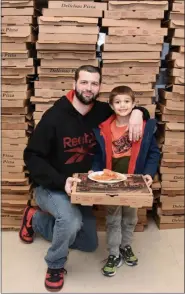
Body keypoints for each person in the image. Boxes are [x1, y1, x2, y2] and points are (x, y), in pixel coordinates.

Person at [19, 65, 150, 292]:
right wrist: (61, 181)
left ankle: (35, 219)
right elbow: (31, 156)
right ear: (75, 84)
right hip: (53, 187)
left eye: (94, 83)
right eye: (84, 82)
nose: (89, 88)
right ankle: (56, 264)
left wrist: (139, 112)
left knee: (89, 243)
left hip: (82, 190)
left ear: (99, 87)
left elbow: (126, 107)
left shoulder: (101, 111)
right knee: (70, 222)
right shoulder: (54, 116)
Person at [91, 85, 160, 277]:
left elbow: (154, 153)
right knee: (113, 219)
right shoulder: (104, 128)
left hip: (134, 182)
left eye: (127, 101)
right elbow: (99, 155)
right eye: (118, 102)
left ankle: (126, 247)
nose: (122, 105)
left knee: (130, 218)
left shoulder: (145, 128)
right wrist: (95, 172)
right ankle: (113, 253)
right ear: (111, 106)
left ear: (134, 104)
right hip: (112, 182)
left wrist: (148, 173)